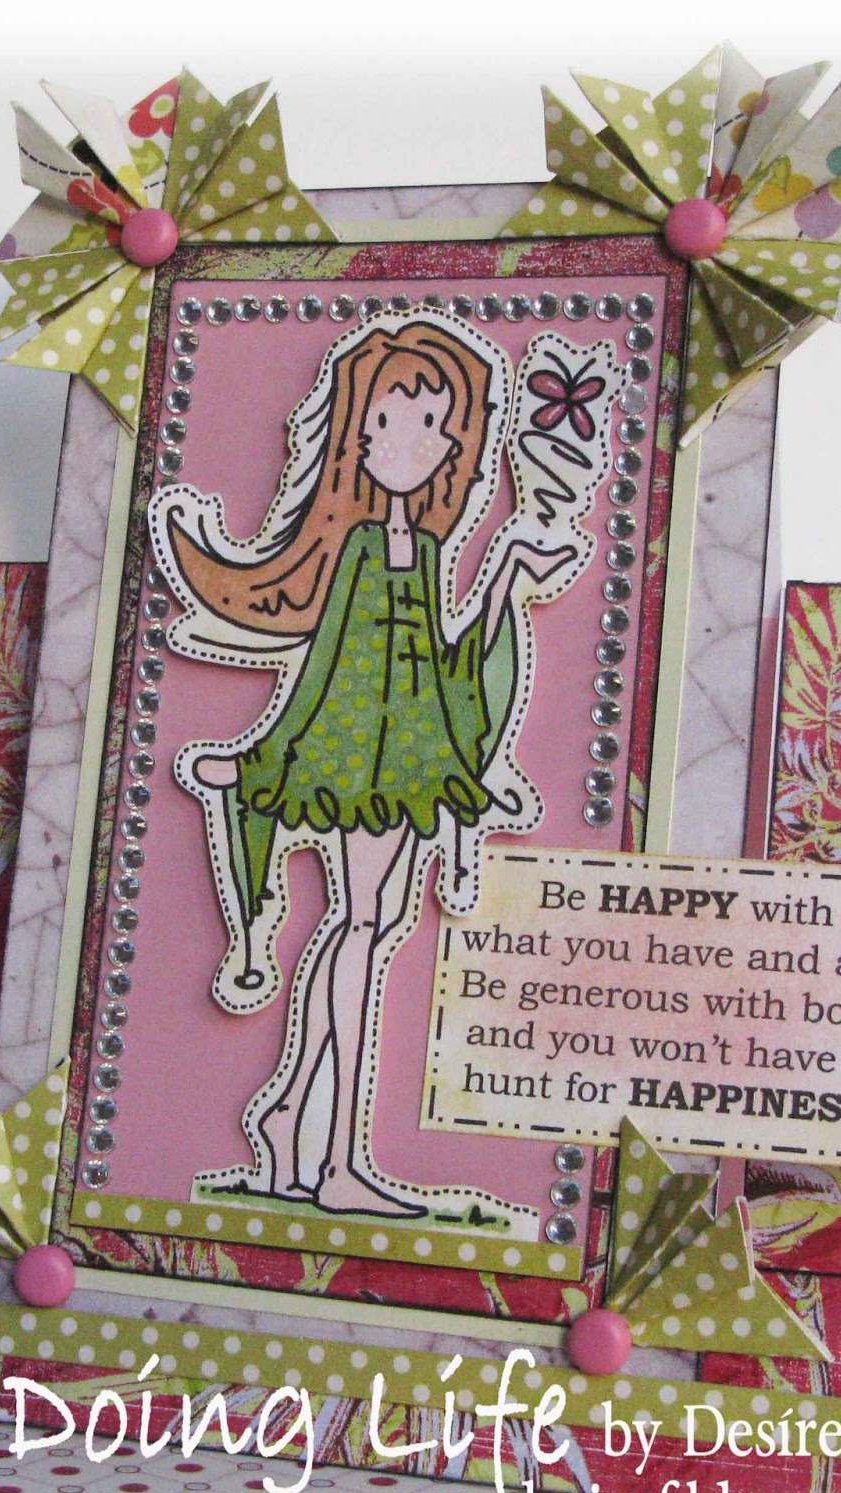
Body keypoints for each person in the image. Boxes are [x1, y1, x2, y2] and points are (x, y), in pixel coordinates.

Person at [156, 317, 579, 1217]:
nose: (410, 443)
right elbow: (327, 678)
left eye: (433, 426)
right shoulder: (354, 551)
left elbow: (442, 669)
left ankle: (284, 1123)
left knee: (365, 929)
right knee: (360, 930)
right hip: (359, 772)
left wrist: (507, 571)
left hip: (402, 766)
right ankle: (337, 1161)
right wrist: (259, 761)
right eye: (389, 423)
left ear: (455, 445)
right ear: (358, 435)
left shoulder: (421, 551)